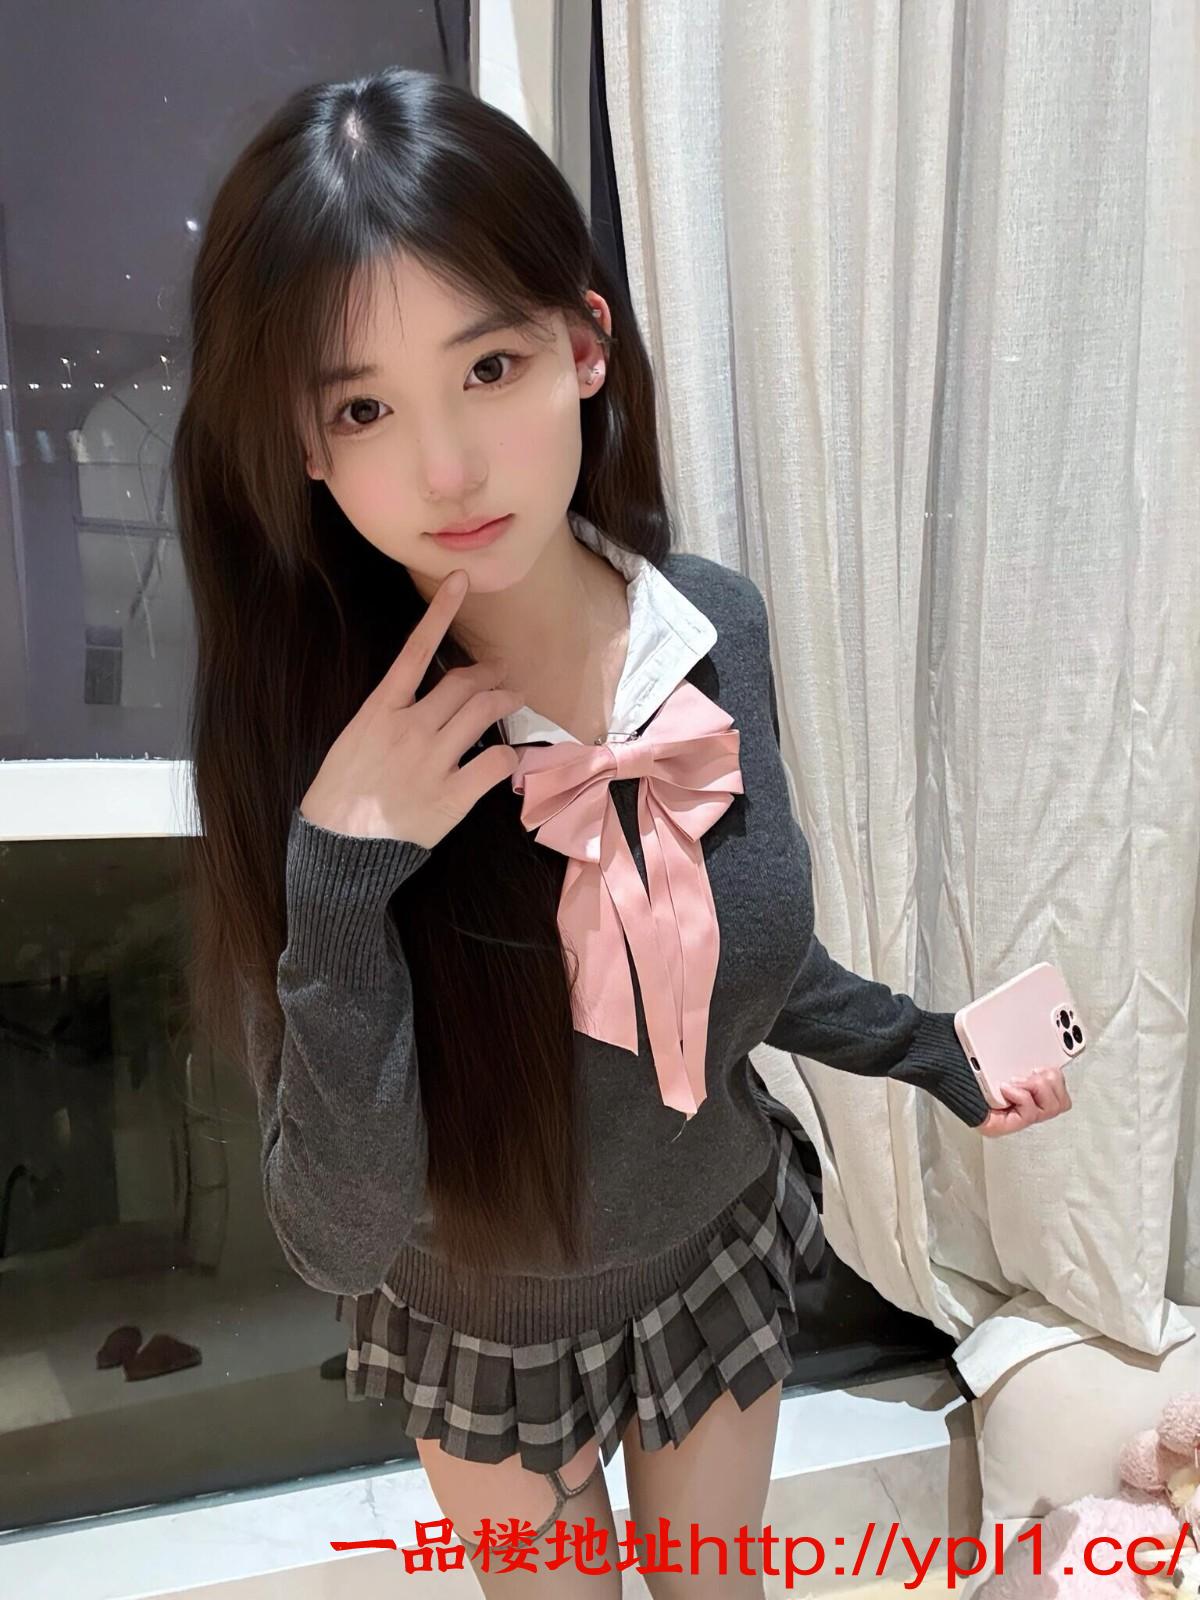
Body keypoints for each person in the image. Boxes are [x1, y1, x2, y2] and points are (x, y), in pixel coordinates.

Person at [174, 66, 1071, 1598]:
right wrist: (341, 881)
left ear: (584, 345)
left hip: (710, 1249)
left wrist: (936, 1051)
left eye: (490, 365)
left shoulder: (712, 626)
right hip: (485, 1328)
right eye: (364, 406)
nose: (447, 467)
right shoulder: (322, 743)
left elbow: (742, 958)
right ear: (306, 445)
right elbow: (341, 1234)